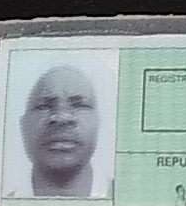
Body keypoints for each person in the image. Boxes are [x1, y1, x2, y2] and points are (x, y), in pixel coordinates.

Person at [11, 65, 111, 198]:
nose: (61, 117)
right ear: (23, 126)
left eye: (79, 105)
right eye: (44, 106)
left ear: (98, 123)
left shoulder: (133, 202)